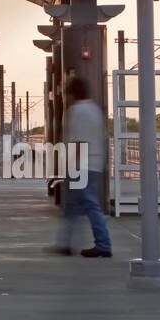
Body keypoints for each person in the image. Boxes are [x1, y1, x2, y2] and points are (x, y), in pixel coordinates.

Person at [48, 76, 112, 257]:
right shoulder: (94, 109)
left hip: (81, 166)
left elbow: (78, 142)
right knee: (71, 208)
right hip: (93, 163)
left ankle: (103, 244)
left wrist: (69, 166)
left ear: (71, 94)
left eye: (66, 94)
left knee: (89, 205)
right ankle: (65, 244)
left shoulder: (77, 111)